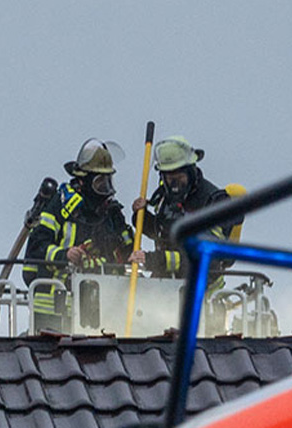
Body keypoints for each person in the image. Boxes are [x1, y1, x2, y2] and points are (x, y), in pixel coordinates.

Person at [23, 139, 137, 332]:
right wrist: (65, 255)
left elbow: (128, 249)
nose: (106, 189)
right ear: (83, 181)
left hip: (102, 313)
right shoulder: (59, 206)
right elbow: (36, 248)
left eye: (108, 182)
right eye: (100, 183)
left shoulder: (111, 213)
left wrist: (132, 254)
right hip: (54, 313)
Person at [131, 136, 234, 279]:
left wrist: (155, 260)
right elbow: (162, 232)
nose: (175, 185)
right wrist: (140, 216)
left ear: (191, 172)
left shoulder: (213, 201)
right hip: (165, 283)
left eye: (179, 178)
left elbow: (206, 255)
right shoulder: (163, 198)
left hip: (201, 289)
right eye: (170, 179)